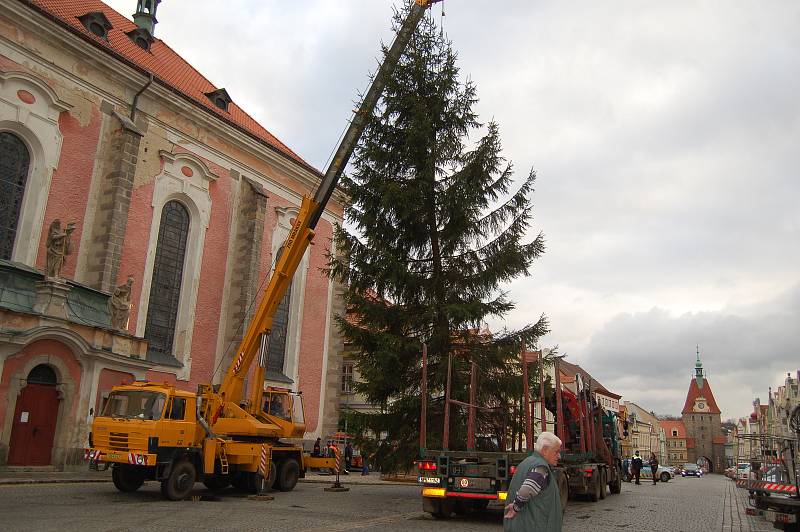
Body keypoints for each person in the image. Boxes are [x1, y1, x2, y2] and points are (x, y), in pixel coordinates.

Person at [504, 431, 563, 532]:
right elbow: (527, 489)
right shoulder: (541, 467)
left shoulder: (527, 462)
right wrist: (515, 507)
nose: (559, 456)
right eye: (556, 452)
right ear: (544, 450)